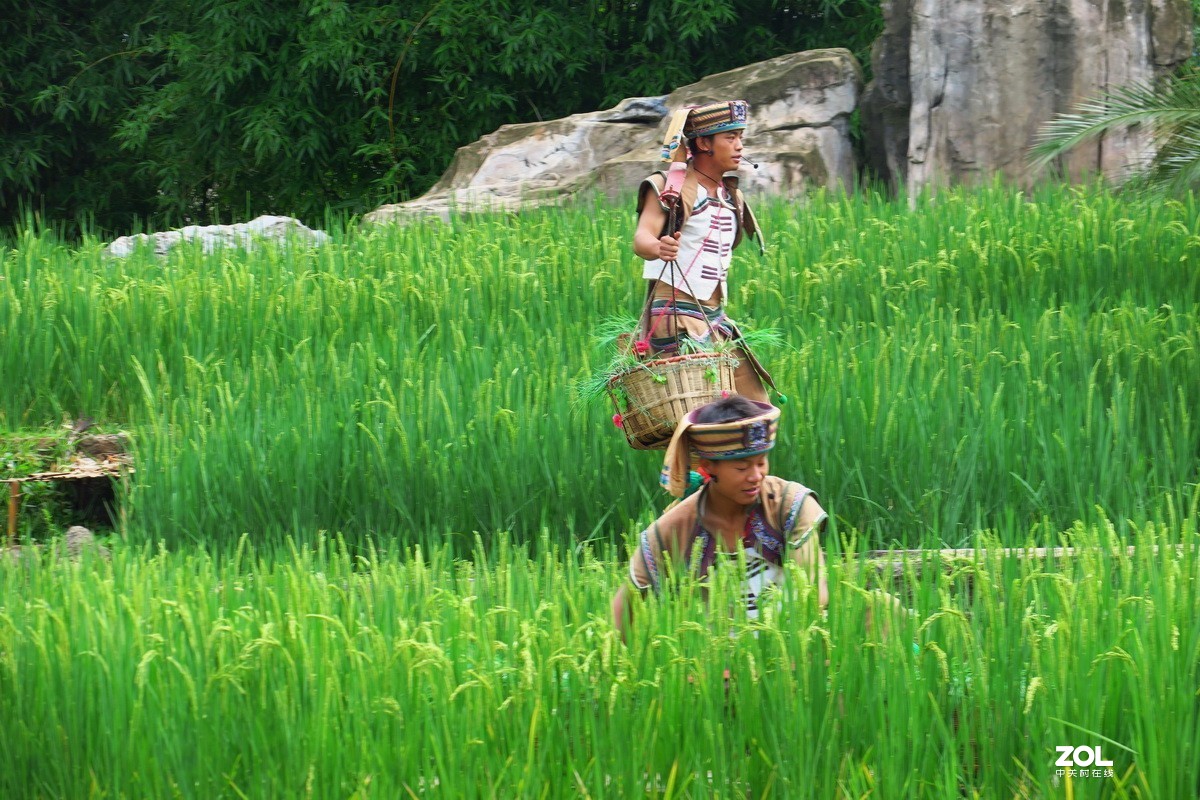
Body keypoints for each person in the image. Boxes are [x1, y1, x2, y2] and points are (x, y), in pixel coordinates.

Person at [611, 395, 828, 638]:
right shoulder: (673, 528)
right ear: (708, 466)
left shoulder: (789, 503)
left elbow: (813, 592)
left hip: (787, 646)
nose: (756, 476)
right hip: (712, 661)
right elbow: (626, 602)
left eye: (761, 462)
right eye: (742, 467)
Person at [631, 100, 774, 404]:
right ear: (703, 143)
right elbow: (642, 238)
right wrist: (659, 246)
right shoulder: (668, 188)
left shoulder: (731, 194)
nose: (739, 146)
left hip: (714, 317)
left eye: (741, 137)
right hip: (677, 315)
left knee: (755, 406)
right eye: (730, 138)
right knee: (701, 414)